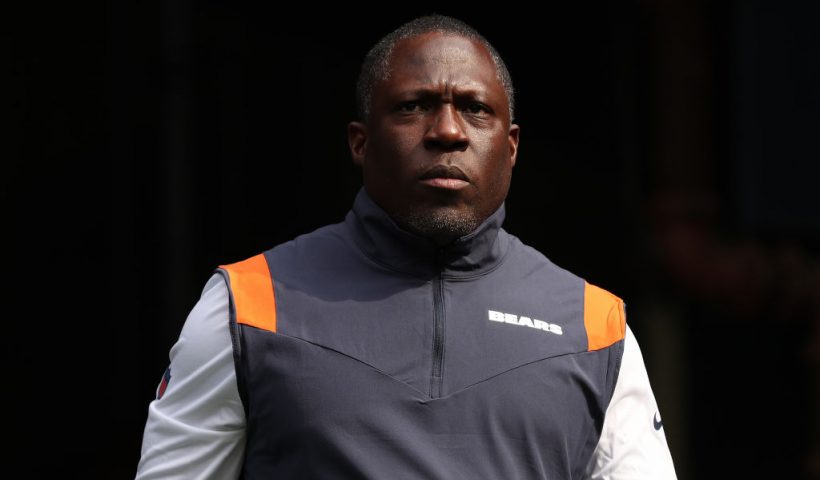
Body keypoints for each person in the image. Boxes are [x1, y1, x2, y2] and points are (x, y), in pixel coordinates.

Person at [136, 14, 677, 479]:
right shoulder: (247, 305)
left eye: (475, 109)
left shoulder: (595, 327)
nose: (447, 130)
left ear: (511, 147)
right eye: (414, 106)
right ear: (359, 142)